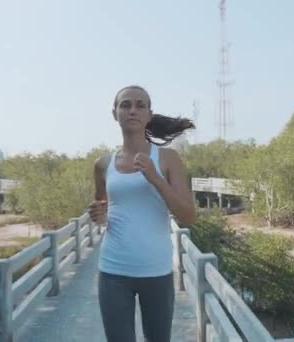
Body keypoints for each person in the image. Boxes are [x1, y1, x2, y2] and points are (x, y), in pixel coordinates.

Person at [88, 85, 197, 342]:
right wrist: (98, 216)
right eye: (125, 105)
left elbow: (188, 217)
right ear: (114, 113)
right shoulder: (102, 164)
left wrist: (156, 178)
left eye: (140, 105)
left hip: (156, 271)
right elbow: (101, 210)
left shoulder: (168, 159)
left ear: (149, 113)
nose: (132, 110)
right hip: (113, 271)